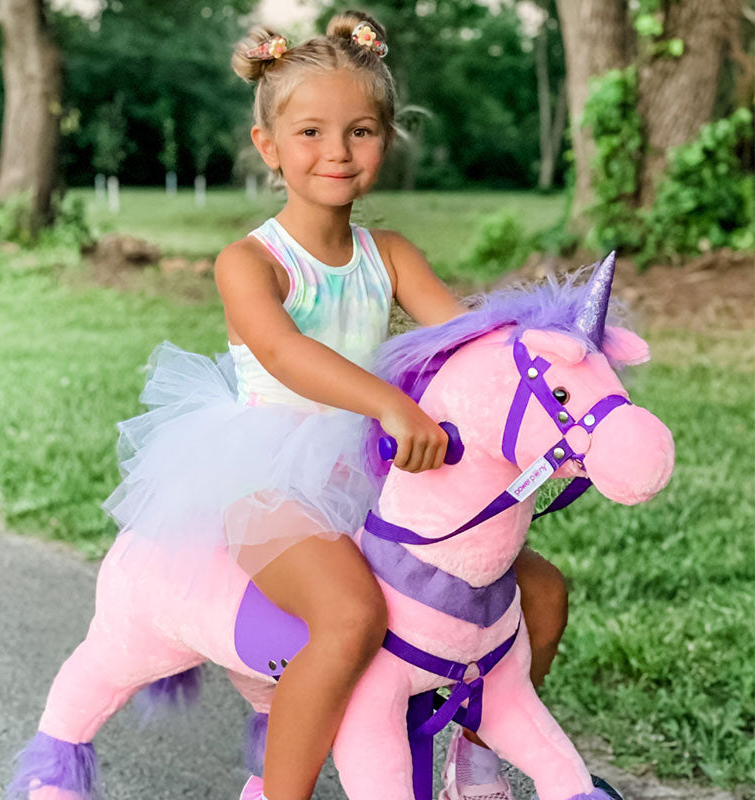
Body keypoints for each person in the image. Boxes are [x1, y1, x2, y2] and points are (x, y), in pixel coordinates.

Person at [103, 11, 569, 800]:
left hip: (376, 477)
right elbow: (286, 353)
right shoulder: (250, 262)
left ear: (386, 140)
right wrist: (388, 402)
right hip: (268, 480)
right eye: (312, 132)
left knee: (541, 592)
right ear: (269, 148)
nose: (337, 153)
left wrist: (543, 363)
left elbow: (460, 338)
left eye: (361, 131)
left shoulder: (389, 255)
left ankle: (474, 753)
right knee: (351, 616)